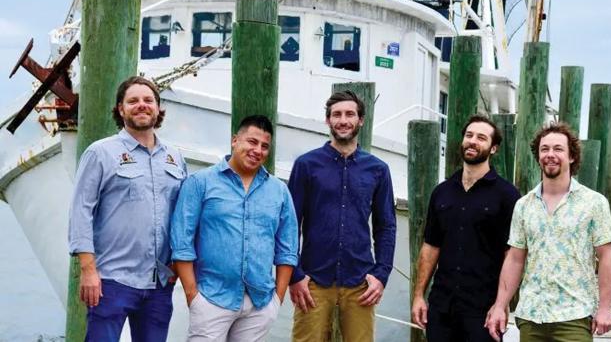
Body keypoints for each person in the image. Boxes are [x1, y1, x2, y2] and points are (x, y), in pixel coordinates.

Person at [68, 76, 187, 342]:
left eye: (148, 100)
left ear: (158, 107)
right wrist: (88, 270)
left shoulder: (176, 157)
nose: (141, 105)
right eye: (133, 101)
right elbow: (80, 212)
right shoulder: (100, 153)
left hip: (159, 284)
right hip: (110, 281)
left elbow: (184, 217)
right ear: (121, 109)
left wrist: (179, 266)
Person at [170, 115, 298, 342]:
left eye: (264, 146)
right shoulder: (201, 182)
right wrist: (193, 295)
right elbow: (181, 242)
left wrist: (276, 300)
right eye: (252, 142)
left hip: (260, 303)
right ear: (234, 140)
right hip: (211, 298)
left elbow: (287, 250)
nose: (257, 150)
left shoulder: (279, 191)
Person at [485, 123, 611, 341]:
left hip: (574, 316)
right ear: (538, 156)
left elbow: (606, 257)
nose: (550, 155)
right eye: (544, 149)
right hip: (531, 316)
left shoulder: (594, 203)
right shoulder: (523, 205)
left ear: (572, 157)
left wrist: (605, 308)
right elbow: (515, 260)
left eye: (558, 149)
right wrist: (500, 305)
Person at [288, 90, 397, 342]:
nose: (343, 120)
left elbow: (386, 227)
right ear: (328, 121)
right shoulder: (306, 165)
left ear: (360, 120)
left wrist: (381, 274)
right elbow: (290, 224)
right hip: (313, 281)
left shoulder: (378, 170)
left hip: (360, 282)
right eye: (336, 115)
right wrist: (294, 274)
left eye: (350, 114)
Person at [411, 115, 520, 341]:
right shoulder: (441, 192)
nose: (473, 141)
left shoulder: (507, 195)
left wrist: (502, 303)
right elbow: (431, 247)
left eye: (481, 138)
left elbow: (512, 255)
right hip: (442, 306)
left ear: (493, 148)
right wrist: (419, 295)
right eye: (469, 135)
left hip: (483, 309)